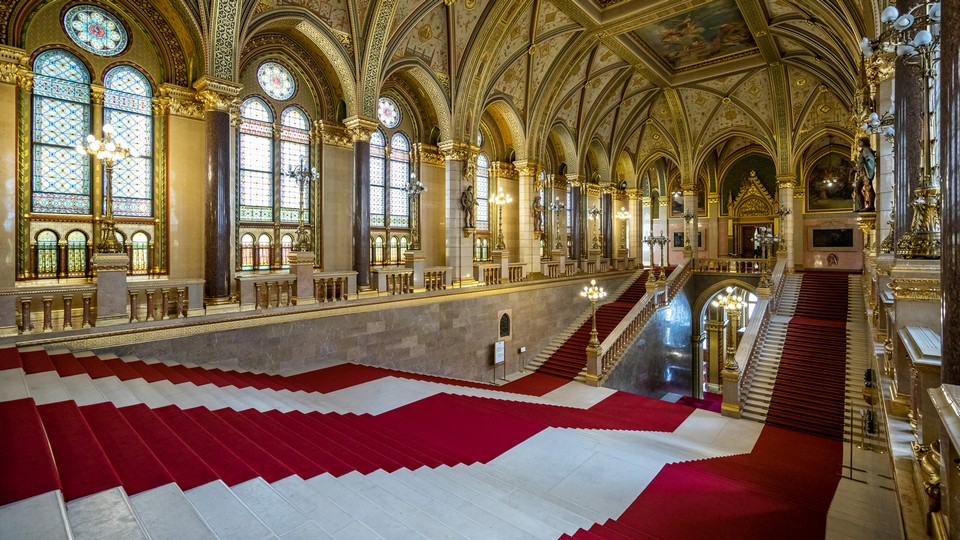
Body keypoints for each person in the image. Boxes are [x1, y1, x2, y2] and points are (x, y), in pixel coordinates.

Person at [853, 136, 876, 211]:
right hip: (862, 173)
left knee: (868, 188)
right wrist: (856, 168)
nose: (858, 143)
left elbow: (871, 159)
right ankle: (862, 206)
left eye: (860, 142)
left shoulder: (866, 150)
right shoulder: (863, 150)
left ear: (864, 142)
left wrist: (862, 167)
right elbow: (861, 163)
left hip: (866, 172)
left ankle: (871, 206)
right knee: (857, 189)